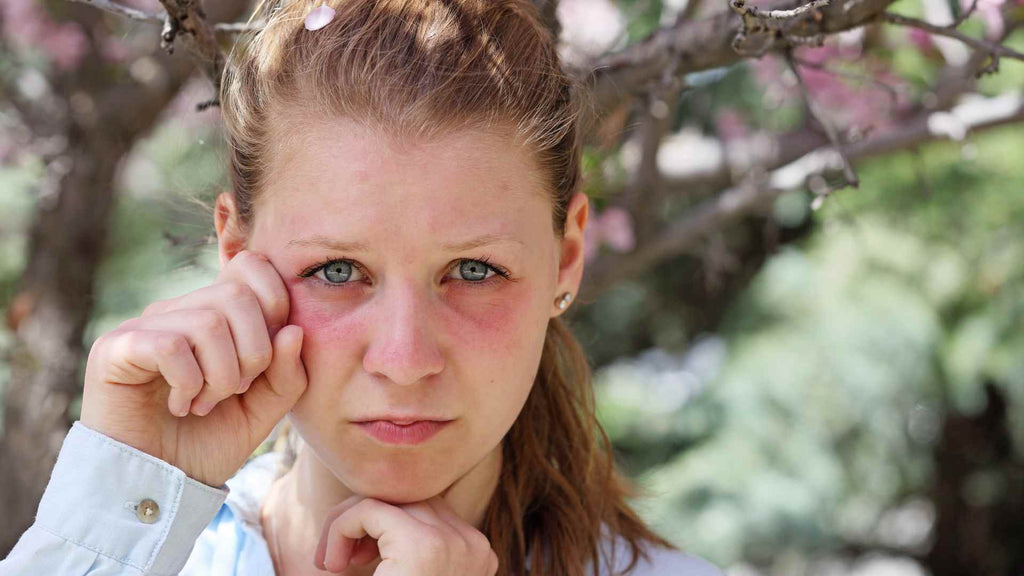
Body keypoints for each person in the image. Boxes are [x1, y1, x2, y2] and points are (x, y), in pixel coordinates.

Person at [0, 1, 726, 575]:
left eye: (475, 271)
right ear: (236, 250)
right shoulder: (135, 553)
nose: (405, 359)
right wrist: (129, 491)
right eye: (338, 272)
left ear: (566, 260)